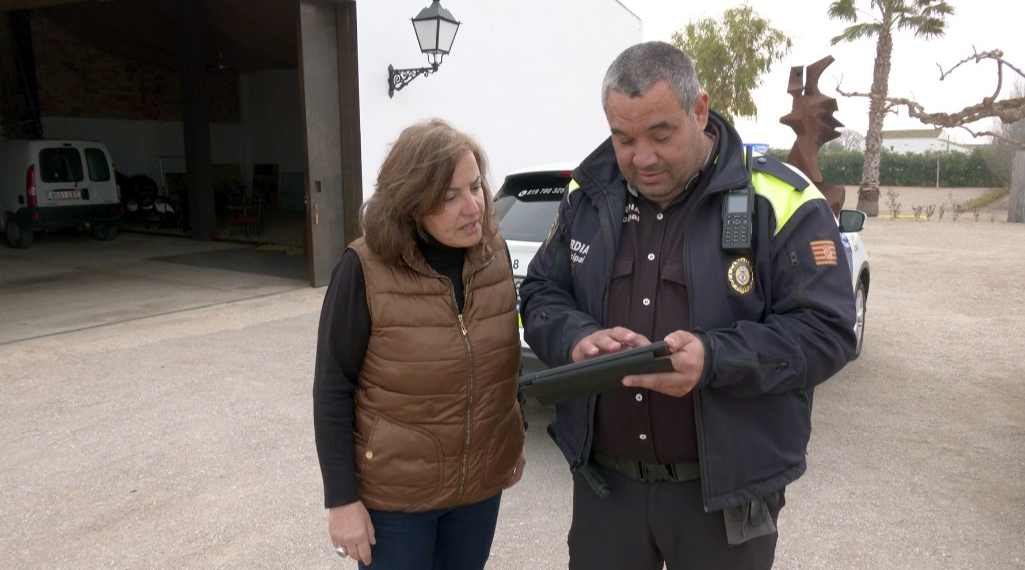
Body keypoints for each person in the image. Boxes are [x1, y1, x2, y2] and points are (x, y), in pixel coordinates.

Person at [519, 41, 857, 570]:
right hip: (606, 490)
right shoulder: (588, 194)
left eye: (661, 134)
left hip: (725, 499)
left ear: (699, 111)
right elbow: (540, 290)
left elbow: (828, 332)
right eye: (623, 138)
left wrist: (714, 358)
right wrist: (575, 337)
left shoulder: (779, 199)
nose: (641, 158)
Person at [313, 118, 526, 570]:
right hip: (396, 503)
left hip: (477, 493)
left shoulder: (495, 256)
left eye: (475, 187)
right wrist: (342, 500)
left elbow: (500, 362)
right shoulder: (363, 270)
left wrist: (512, 436)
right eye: (449, 197)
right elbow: (333, 388)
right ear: (410, 203)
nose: (473, 206)